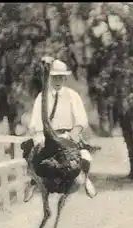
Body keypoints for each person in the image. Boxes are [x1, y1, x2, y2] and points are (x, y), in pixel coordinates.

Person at [22, 59, 96, 202]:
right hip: (46, 135)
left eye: (61, 77)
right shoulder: (42, 97)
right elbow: (35, 121)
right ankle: (33, 182)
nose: (58, 80)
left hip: (67, 134)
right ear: (50, 77)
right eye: (55, 77)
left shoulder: (72, 96)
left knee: (84, 155)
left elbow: (81, 120)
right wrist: (39, 136)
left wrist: (73, 133)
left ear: (65, 78)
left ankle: (86, 178)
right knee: (33, 155)